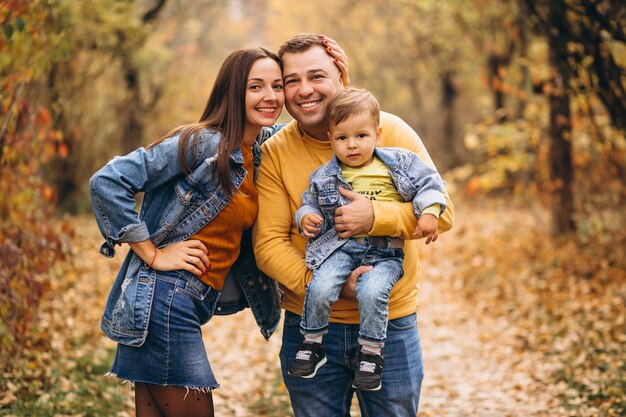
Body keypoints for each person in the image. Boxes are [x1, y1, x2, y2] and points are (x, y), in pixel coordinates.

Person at [253, 33, 455, 416]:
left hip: (390, 324)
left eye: (316, 76)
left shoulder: (389, 132)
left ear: (341, 77)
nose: (304, 90)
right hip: (309, 323)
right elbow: (268, 244)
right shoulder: (276, 152)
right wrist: (326, 286)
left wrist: (377, 217)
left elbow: (443, 212)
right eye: (291, 80)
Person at [89, 47, 287, 417]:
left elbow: (319, 123)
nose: (270, 96)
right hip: (166, 303)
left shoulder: (259, 148)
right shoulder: (204, 143)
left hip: (171, 305)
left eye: (278, 85)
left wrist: (338, 75)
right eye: (255, 86)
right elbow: (108, 181)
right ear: (233, 91)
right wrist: (152, 253)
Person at [288, 87, 447, 392]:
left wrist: (429, 212)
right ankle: (312, 342)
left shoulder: (396, 164)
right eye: (342, 138)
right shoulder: (324, 175)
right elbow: (309, 202)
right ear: (331, 139)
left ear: (378, 134)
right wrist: (304, 216)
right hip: (341, 250)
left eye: (361, 136)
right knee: (319, 285)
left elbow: (430, 183)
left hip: (384, 252)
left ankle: (371, 354)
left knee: (372, 291)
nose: (352, 145)